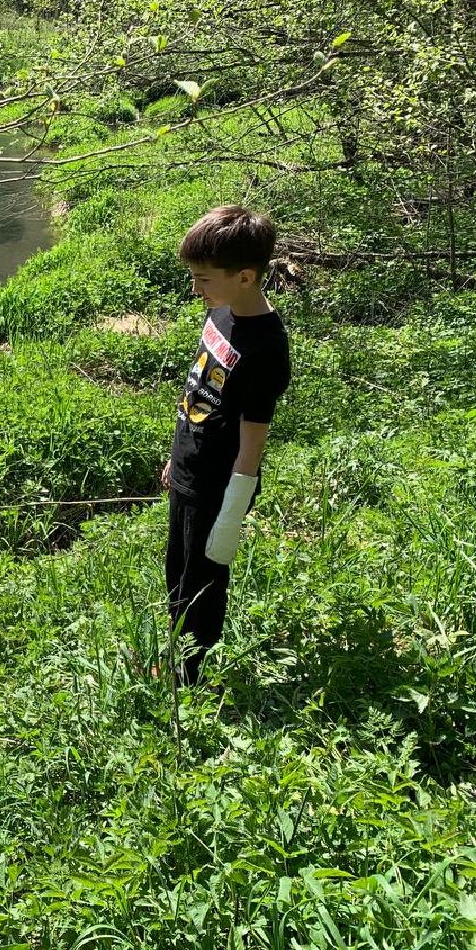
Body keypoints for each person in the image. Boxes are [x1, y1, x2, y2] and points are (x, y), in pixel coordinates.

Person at [160, 206, 291, 684]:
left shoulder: (266, 349)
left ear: (245, 276)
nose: (196, 289)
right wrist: (175, 457)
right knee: (177, 571)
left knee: (201, 584)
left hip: (218, 484)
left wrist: (232, 511)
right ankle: (177, 651)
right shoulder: (220, 311)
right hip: (189, 467)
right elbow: (199, 389)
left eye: (203, 278)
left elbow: (253, 438)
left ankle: (189, 676)